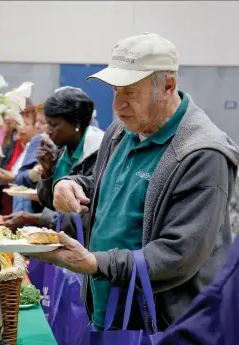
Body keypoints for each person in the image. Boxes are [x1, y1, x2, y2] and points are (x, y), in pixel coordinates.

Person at [35, 33, 239, 331]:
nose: (117, 105)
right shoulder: (122, 131)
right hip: (109, 307)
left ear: (168, 86)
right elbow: (104, 186)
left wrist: (95, 264)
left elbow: (177, 254)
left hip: (159, 323)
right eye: (116, 91)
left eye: (129, 92)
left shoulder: (202, 154)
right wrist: (70, 183)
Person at [4, 88, 103, 234]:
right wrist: (47, 171)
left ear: (76, 124)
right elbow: (51, 203)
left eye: (54, 125)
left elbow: (83, 213)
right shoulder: (62, 150)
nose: (48, 130)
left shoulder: (98, 153)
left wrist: (32, 218)